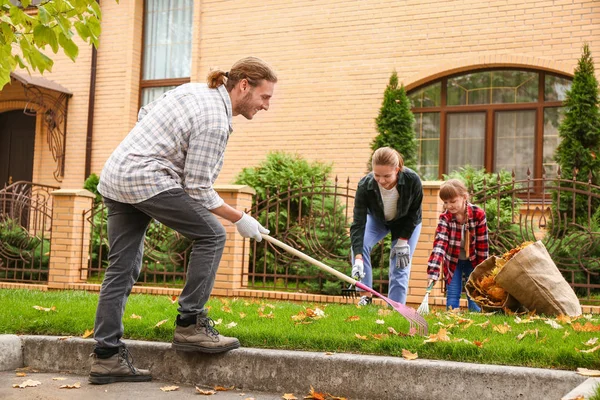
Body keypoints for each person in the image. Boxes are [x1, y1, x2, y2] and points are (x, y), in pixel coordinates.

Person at [89, 57, 277, 385]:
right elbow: (198, 188)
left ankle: (105, 358)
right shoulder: (215, 120)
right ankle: (190, 323)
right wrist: (241, 219)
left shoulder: (196, 90)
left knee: (121, 269)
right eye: (265, 97)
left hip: (116, 175)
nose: (266, 106)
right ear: (244, 85)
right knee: (213, 235)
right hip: (146, 178)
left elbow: (145, 114)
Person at [350, 147, 423, 306]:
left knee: (400, 263)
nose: (381, 181)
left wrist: (403, 240)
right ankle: (365, 297)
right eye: (377, 175)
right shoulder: (365, 185)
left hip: (406, 222)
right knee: (360, 246)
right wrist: (357, 258)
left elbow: (414, 213)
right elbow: (358, 223)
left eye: (387, 176)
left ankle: (396, 308)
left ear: (397, 170)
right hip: (378, 220)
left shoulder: (412, 180)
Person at [426, 178, 489, 312]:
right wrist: (433, 271)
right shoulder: (445, 218)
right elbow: (440, 244)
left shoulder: (478, 215)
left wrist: (482, 271)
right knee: (453, 294)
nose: (449, 206)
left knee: (474, 296)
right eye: (446, 202)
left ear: (464, 197)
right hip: (453, 261)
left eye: (453, 201)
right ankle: (451, 324)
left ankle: (476, 324)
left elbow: (482, 245)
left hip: (473, 261)